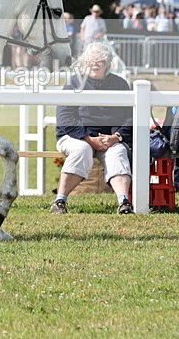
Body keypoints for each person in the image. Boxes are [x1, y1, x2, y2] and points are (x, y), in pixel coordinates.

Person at [52, 42, 134, 214]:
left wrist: (116, 136)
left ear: (107, 63)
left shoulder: (120, 84)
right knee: (82, 149)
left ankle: (124, 202)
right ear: (84, 62)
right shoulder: (74, 83)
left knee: (118, 152)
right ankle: (60, 201)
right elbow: (65, 118)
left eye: (100, 60)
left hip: (109, 138)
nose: (95, 64)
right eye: (91, 60)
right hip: (75, 136)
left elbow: (130, 117)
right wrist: (89, 139)